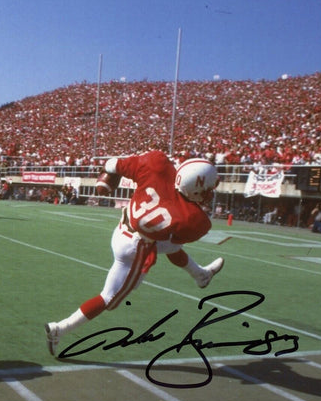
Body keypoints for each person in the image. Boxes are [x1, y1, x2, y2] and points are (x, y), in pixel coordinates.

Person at [45, 151, 224, 356]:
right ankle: (60, 329)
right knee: (109, 299)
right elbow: (175, 236)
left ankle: (200, 275)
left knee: (172, 248)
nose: (209, 193)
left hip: (123, 227)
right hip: (135, 248)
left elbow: (112, 163)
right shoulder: (194, 219)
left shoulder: (156, 164)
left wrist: (106, 177)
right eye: (207, 189)